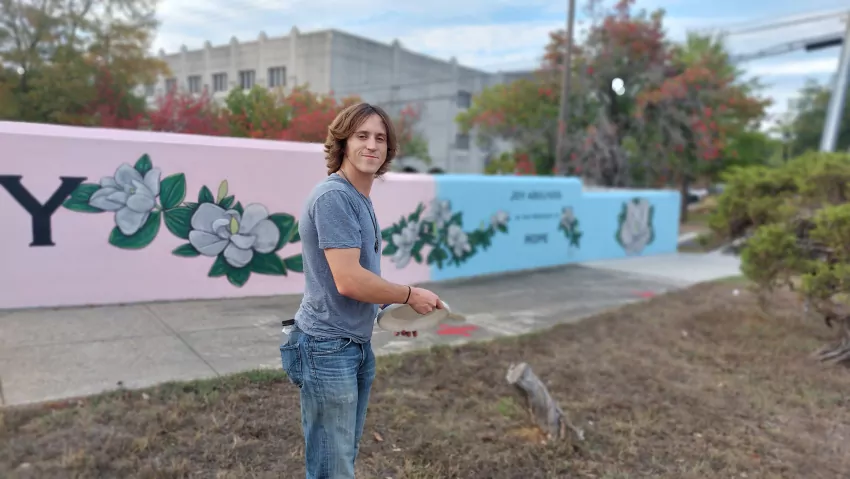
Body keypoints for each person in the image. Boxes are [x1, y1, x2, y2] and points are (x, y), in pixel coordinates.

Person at [279, 102, 443, 479]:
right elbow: (349, 280)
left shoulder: (358, 198)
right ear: (342, 142)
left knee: (340, 459)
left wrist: (395, 307)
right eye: (362, 136)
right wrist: (407, 294)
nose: (372, 145)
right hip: (326, 348)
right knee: (332, 468)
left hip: (351, 344)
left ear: (388, 150)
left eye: (380, 138)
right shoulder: (334, 198)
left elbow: (363, 276)